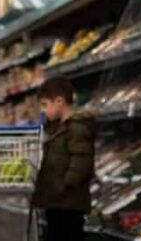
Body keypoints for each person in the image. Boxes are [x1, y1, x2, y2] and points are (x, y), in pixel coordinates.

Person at [32, 77, 96, 241]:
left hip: (69, 201)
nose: (43, 111)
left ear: (59, 101)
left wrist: (66, 183)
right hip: (56, 200)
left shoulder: (77, 128)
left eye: (45, 105)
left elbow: (82, 160)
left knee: (70, 234)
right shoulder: (57, 128)